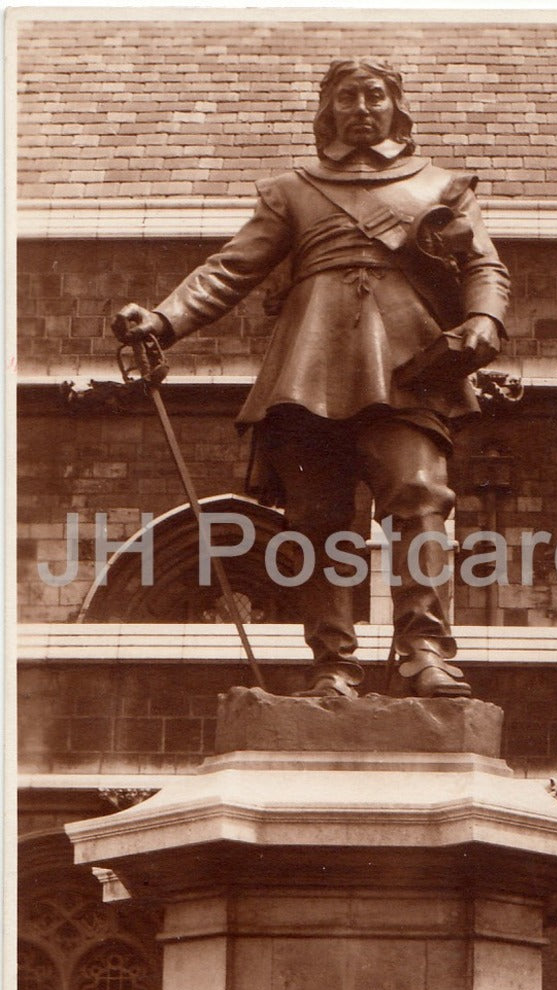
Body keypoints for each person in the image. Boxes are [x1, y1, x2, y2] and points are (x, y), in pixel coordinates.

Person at [112, 58, 510, 699]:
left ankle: (424, 651)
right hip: (309, 368)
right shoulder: (291, 190)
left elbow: (484, 266)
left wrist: (485, 318)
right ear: (328, 110)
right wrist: (163, 319)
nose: (362, 108)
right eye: (347, 97)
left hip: (408, 368)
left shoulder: (442, 187)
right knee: (318, 520)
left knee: (420, 495)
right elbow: (230, 269)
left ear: (396, 107)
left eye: (374, 95)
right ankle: (333, 664)